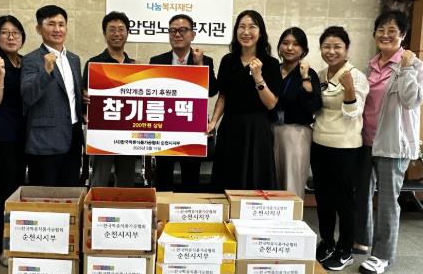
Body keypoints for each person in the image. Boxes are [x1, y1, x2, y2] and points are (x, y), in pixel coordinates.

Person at [355, 10, 423, 274]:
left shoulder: (414, 66)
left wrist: (406, 69)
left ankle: (382, 255)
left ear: (403, 35)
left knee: (387, 201)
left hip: (393, 144)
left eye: (392, 31)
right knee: (362, 194)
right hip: (366, 140)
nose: (385, 35)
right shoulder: (371, 66)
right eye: (381, 30)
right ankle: (362, 241)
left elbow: (411, 101)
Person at [311, 26, 369, 271]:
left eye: (337, 47)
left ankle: (346, 250)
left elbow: (354, 114)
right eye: (327, 46)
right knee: (323, 198)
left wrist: (350, 90)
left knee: (344, 200)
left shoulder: (356, 76)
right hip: (319, 143)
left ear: (346, 49)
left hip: (346, 147)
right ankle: (327, 242)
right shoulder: (320, 75)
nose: (331, 51)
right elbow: (315, 108)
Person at [209, 10, 282, 191]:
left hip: (257, 129)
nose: (246, 32)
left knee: (254, 179)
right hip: (230, 126)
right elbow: (223, 96)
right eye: (241, 27)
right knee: (228, 177)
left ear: (261, 32)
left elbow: (271, 103)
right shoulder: (228, 60)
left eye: (252, 27)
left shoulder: (271, 63)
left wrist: (258, 77)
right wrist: (213, 122)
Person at [149, 13, 219, 191]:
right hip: (165, 130)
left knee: (191, 179)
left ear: (192, 35)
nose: (177, 34)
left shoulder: (205, 60)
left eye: (182, 30)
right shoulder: (157, 61)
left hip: (192, 129)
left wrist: (199, 66)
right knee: (163, 179)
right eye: (173, 30)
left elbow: (212, 91)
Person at [21, 5, 83, 186]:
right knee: (45, 196)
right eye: (51, 24)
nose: (57, 29)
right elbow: (28, 96)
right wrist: (45, 72)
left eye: (61, 24)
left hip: (73, 138)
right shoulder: (31, 59)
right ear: (39, 29)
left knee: (70, 194)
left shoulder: (74, 59)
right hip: (45, 141)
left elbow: (71, 95)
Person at [0, 15, 27, 265]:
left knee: (19, 190)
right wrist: (0, 76)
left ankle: (17, 241)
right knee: (5, 191)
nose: (11, 37)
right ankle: (0, 246)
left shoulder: (24, 62)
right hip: (3, 136)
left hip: (24, 135)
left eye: (15, 32)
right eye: (4, 32)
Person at [83, 11, 137, 186]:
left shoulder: (135, 66)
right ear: (104, 33)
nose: (117, 34)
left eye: (121, 29)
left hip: (128, 135)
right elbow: (83, 96)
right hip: (102, 134)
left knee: (126, 183)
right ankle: (95, 205)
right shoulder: (94, 64)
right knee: (98, 181)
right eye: (112, 29)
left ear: (127, 33)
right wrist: (84, 99)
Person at [272, 27, 322, 196]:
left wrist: (305, 77)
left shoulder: (309, 73)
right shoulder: (273, 70)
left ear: (303, 49)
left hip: (296, 133)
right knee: (271, 183)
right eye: (285, 43)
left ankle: (292, 214)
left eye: (295, 44)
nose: (289, 48)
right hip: (270, 130)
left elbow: (314, 106)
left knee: (292, 184)